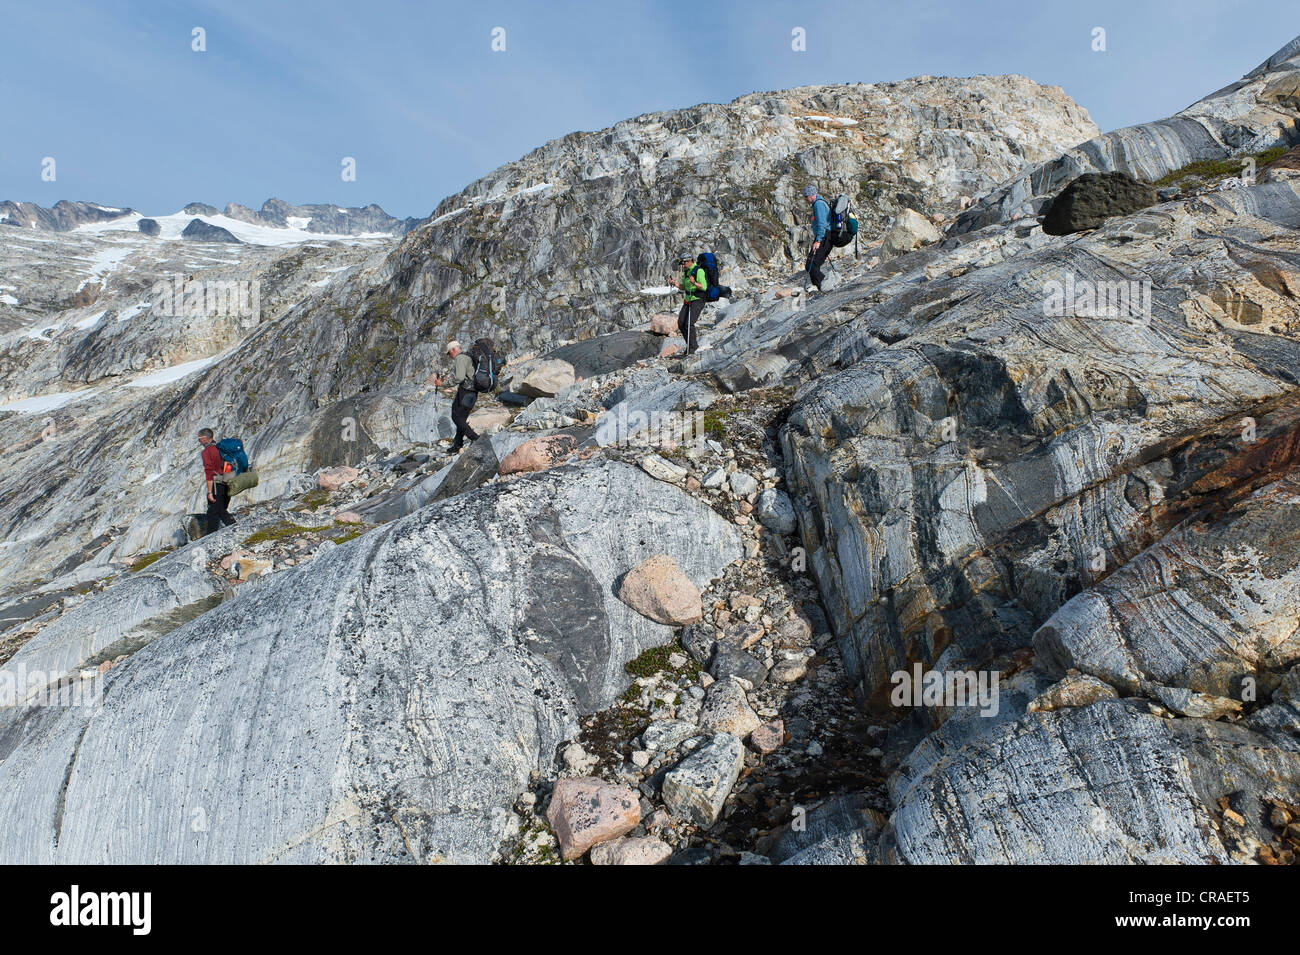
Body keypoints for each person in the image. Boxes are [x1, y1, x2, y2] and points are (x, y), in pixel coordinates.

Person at [429, 340, 480, 453]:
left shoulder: (460, 358)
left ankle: (475, 438)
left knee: (456, 417)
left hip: (465, 391)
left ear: (454, 350)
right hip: (473, 392)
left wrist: (442, 384)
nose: (449, 356)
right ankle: (457, 444)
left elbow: (460, 378)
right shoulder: (467, 356)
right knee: (461, 418)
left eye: (449, 353)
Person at [197, 428, 236, 534]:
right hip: (228, 482)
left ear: (205, 438)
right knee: (220, 509)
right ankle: (230, 529)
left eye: (199, 438)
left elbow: (209, 471)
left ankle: (232, 529)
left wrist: (210, 492)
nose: (199, 441)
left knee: (215, 511)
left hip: (216, 484)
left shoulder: (207, 452)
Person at [668, 251, 707, 355]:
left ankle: (693, 348)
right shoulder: (686, 272)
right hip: (688, 299)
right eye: (682, 263)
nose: (683, 265)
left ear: (690, 261)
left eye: (684, 263)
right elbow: (684, 287)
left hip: (698, 299)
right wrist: (674, 283)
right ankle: (690, 346)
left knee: (689, 323)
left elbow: (704, 287)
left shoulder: (698, 271)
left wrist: (694, 282)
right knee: (681, 323)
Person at [803, 185, 833, 292]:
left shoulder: (818, 205)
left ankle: (824, 286)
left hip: (824, 237)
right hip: (824, 237)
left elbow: (822, 224)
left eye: (805, 196)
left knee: (812, 264)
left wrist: (818, 241)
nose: (805, 199)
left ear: (811, 196)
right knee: (811, 264)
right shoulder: (819, 203)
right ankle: (822, 286)